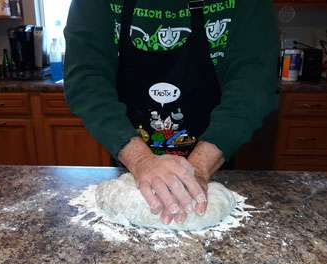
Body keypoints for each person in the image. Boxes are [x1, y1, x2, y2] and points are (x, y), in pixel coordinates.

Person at [64, 0, 279, 225]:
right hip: (130, 163)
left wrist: (199, 167)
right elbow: (87, 79)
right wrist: (140, 160)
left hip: (215, 164)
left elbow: (253, 85)